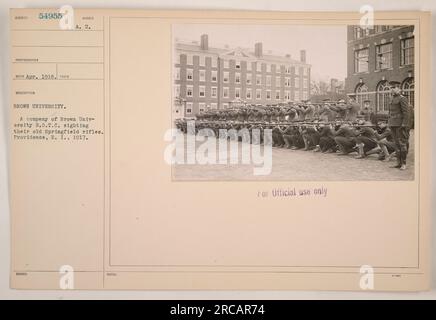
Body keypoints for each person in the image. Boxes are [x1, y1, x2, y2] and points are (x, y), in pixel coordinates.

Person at [388, 86, 412, 170]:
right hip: (393, 124)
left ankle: (404, 163)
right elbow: (390, 111)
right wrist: (389, 121)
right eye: (391, 88)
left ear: (399, 89)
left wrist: (404, 124)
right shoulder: (391, 98)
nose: (392, 89)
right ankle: (398, 162)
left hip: (400, 124)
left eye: (394, 87)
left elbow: (406, 113)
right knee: (396, 144)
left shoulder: (402, 98)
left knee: (402, 143)